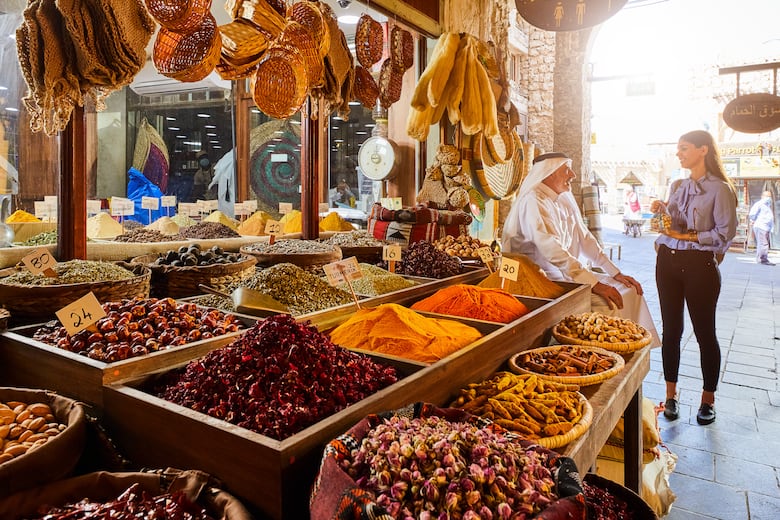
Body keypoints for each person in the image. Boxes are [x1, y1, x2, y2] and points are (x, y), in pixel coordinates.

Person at [502, 152, 659, 344]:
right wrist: (594, 284)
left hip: (564, 274)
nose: (573, 175)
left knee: (628, 289)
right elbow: (552, 249)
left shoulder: (564, 199)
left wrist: (614, 272)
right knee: (607, 303)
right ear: (549, 173)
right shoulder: (533, 201)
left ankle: (628, 347)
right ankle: (600, 353)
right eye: (566, 170)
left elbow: (585, 238)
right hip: (538, 280)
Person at [651, 129, 737, 426]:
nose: (678, 153)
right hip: (667, 262)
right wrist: (661, 211)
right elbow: (669, 224)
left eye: (684, 147)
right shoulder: (678, 185)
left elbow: (725, 235)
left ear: (703, 150)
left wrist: (685, 235)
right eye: (678, 148)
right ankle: (671, 395)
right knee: (670, 331)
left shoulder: (721, 190)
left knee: (704, 334)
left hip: (700, 265)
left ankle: (707, 399)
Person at [748, 190, 774, 265]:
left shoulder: (767, 205)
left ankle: (761, 258)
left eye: (770, 196)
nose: (769, 198)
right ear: (762, 197)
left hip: (765, 227)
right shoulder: (759, 204)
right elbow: (752, 214)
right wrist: (753, 220)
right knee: (763, 243)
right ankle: (763, 259)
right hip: (761, 226)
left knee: (762, 243)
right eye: (767, 196)